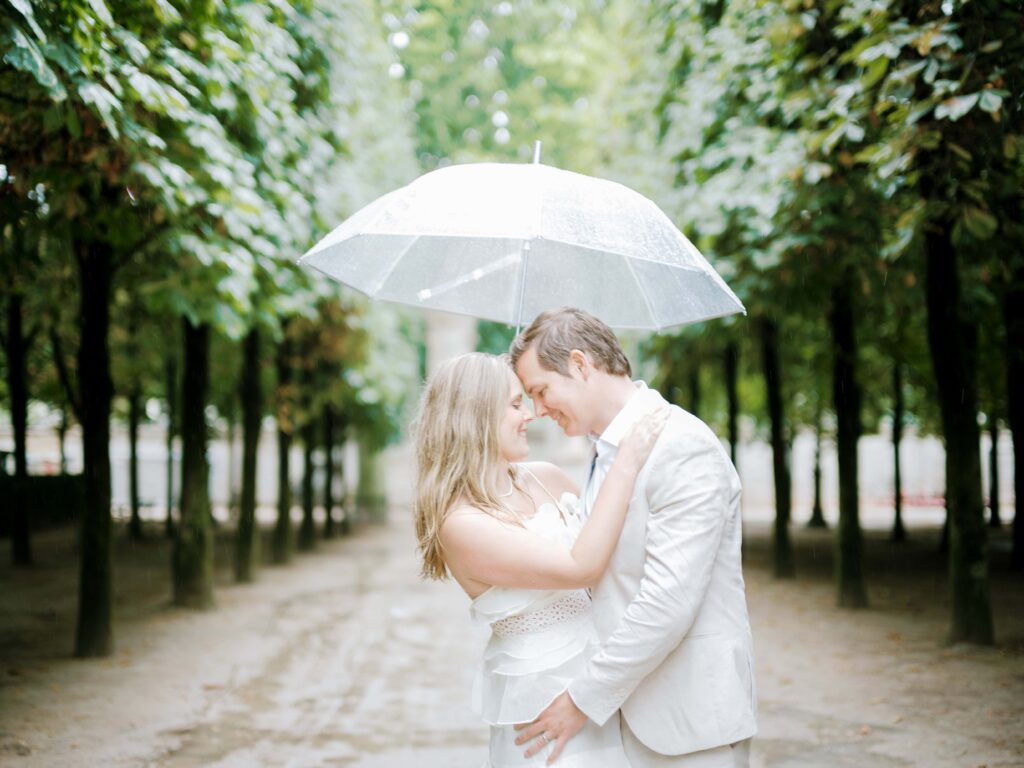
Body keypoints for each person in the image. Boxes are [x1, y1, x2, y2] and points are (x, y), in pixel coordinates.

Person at [509, 308, 756, 768]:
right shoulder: (602, 452)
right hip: (619, 721)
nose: (538, 410)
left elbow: (669, 602)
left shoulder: (681, 446)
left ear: (582, 365)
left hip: (687, 721)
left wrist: (581, 699)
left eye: (541, 391)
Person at [413, 352, 666, 767]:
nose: (529, 414)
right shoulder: (461, 525)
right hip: (542, 705)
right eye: (515, 404)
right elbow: (580, 567)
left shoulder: (545, 477)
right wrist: (626, 461)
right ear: (475, 417)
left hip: (605, 686)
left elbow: (614, 542)